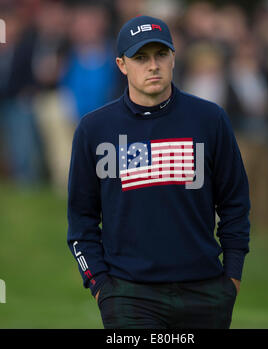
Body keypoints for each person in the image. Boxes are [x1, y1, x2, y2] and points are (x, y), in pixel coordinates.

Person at [67, 15, 251, 329]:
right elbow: (81, 220)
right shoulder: (94, 129)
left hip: (205, 291)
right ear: (122, 65)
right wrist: (98, 284)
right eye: (140, 58)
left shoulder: (210, 119)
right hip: (128, 294)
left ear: (173, 58)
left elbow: (235, 203)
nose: (153, 65)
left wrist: (232, 276)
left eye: (160, 55)